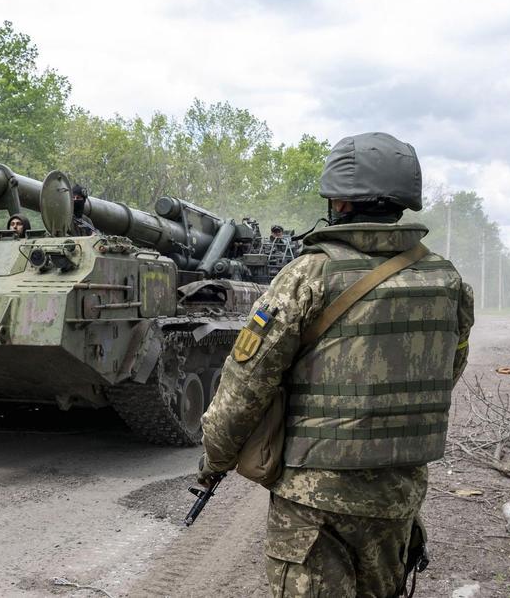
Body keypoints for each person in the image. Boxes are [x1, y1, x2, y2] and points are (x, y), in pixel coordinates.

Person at [197, 132, 475, 597]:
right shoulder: (447, 279)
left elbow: (246, 383)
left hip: (313, 502)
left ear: (339, 202)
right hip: (396, 495)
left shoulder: (308, 275)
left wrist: (216, 460)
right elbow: (448, 372)